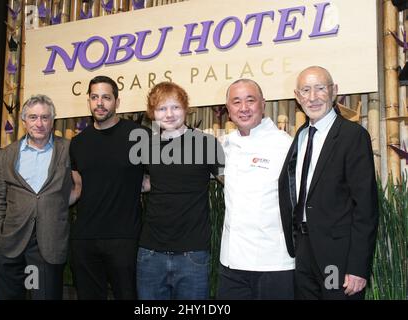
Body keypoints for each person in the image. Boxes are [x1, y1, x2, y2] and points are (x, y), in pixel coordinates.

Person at [278, 66, 379, 300]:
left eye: (320, 88)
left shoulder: (352, 136)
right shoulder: (301, 136)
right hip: (303, 252)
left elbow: (366, 208)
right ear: (297, 96)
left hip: (336, 259)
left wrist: (357, 267)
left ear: (334, 91)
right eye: (305, 90)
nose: (312, 97)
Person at [136, 81, 224, 300]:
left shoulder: (206, 143)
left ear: (186, 108)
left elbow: (229, 181)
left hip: (192, 254)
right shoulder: (146, 147)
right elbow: (145, 182)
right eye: (161, 108)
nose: (169, 114)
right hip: (150, 253)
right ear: (152, 113)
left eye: (175, 107)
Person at [216, 79, 295, 300]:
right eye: (236, 102)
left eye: (250, 100)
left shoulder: (284, 144)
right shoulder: (223, 145)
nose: (244, 108)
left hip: (274, 264)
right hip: (232, 264)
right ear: (228, 109)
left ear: (263, 104)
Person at [0, 94, 73, 300]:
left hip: (48, 243)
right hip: (9, 243)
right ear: (24, 121)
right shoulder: (7, 154)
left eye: (45, 118)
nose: (39, 123)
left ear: (52, 121)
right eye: (33, 117)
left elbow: (80, 185)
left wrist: (60, 208)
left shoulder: (69, 150)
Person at [69, 75, 145, 300]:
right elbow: (77, 187)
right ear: (89, 101)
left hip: (124, 239)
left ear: (117, 102)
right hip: (84, 240)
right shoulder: (78, 143)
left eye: (106, 97)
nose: (99, 103)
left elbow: (154, 179)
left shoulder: (138, 136)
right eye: (94, 97)